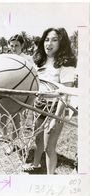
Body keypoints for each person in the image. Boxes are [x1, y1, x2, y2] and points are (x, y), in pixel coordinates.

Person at [28, 27, 77, 174]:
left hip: (55, 108)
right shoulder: (39, 61)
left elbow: (65, 94)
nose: (49, 43)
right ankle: (36, 165)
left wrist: (55, 118)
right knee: (38, 141)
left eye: (54, 40)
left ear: (61, 43)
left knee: (49, 147)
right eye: (47, 39)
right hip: (39, 106)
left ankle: (50, 179)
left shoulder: (66, 64)